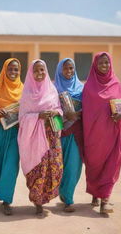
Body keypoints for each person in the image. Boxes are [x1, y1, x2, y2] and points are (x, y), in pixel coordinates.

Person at [82, 52, 121, 214]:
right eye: (101, 63)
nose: (104, 66)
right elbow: (86, 113)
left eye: (107, 63)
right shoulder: (88, 87)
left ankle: (105, 200)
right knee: (95, 166)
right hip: (94, 136)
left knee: (113, 163)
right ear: (95, 65)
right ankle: (96, 193)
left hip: (113, 133)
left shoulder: (116, 83)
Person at [18, 59, 63, 216]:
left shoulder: (52, 90)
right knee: (38, 170)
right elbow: (22, 118)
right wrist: (38, 116)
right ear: (31, 73)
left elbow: (58, 109)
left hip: (51, 137)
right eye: (36, 70)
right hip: (34, 140)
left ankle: (45, 198)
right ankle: (37, 201)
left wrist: (56, 113)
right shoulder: (27, 94)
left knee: (54, 168)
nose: (39, 73)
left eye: (42, 70)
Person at [0, 58, 23, 215]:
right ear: (4, 70)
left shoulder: (24, 89)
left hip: (16, 134)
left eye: (16, 69)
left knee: (11, 165)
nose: (13, 72)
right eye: (10, 69)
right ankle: (2, 195)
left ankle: (6, 200)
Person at [54, 58, 84, 213]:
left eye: (71, 68)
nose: (69, 71)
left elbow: (89, 109)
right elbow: (50, 110)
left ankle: (69, 198)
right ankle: (63, 192)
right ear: (60, 70)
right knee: (60, 166)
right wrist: (65, 116)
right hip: (60, 131)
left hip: (77, 133)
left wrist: (78, 113)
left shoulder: (81, 88)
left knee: (74, 166)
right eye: (65, 68)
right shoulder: (53, 88)